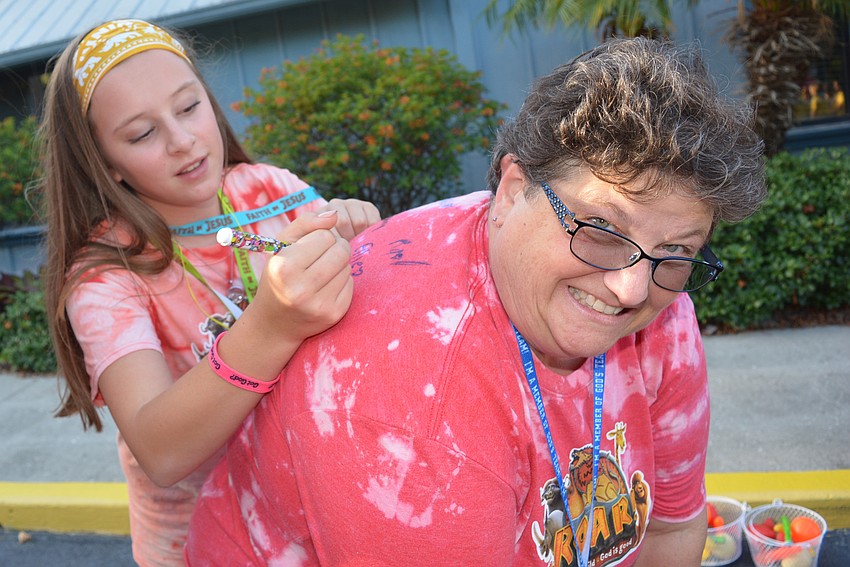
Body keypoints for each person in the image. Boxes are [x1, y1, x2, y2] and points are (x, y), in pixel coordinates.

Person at [186, 37, 766, 566]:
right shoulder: (410, 410)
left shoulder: (663, 296)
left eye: (675, 251)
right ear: (513, 191)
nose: (632, 289)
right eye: (601, 230)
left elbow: (670, 528)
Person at [38, 18, 380, 567]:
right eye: (142, 134)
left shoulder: (270, 189)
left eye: (189, 106)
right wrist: (270, 325)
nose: (182, 140)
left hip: (310, 518)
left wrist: (365, 248)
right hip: (196, 547)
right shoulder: (105, 275)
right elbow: (160, 450)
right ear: (107, 165)